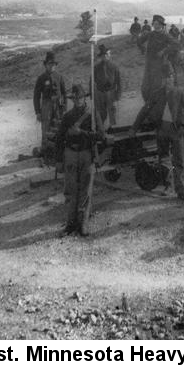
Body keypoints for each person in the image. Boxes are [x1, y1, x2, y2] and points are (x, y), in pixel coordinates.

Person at [130, 65, 184, 202]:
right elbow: (144, 110)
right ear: (162, 79)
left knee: (179, 161)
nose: (167, 79)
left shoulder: (180, 93)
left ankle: (181, 191)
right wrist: (134, 128)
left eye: (170, 76)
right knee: (164, 159)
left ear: (173, 78)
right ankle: (168, 186)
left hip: (176, 131)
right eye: (165, 77)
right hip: (161, 130)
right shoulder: (156, 94)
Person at [55, 84, 105, 236]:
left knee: (85, 190)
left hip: (85, 154)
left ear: (85, 98)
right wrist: (58, 160)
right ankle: (71, 223)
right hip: (70, 154)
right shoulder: (68, 116)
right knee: (71, 189)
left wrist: (82, 132)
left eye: (80, 98)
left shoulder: (92, 114)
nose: (77, 100)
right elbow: (59, 139)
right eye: (75, 98)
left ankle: (83, 223)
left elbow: (100, 136)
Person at [138, 14, 181, 103]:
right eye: (154, 24)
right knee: (145, 86)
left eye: (158, 24)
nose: (156, 25)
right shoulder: (150, 34)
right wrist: (142, 49)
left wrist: (164, 51)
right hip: (149, 62)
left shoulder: (165, 35)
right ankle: (148, 103)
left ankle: (157, 103)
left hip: (159, 63)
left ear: (161, 25)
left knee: (157, 84)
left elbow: (176, 44)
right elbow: (139, 41)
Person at [33, 51, 67, 158]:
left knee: (58, 126)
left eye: (54, 64)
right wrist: (38, 112)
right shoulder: (41, 78)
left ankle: (57, 149)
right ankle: (45, 150)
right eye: (49, 64)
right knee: (46, 127)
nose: (52, 66)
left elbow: (64, 93)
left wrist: (64, 106)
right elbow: (36, 96)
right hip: (46, 105)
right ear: (45, 65)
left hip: (58, 105)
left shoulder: (59, 77)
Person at [92, 44, 121, 128]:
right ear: (101, 56)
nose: (107, 56)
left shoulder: (114, 67)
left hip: (111, 92)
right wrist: (92, 94)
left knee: (112, 112)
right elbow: (92, 80)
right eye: (105, 55)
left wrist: (118, 95)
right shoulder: (96, 67)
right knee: (101, 113)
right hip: (100, 93)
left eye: (108, 54)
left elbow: (119, 82)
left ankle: (112, 128)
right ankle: (100, 129)